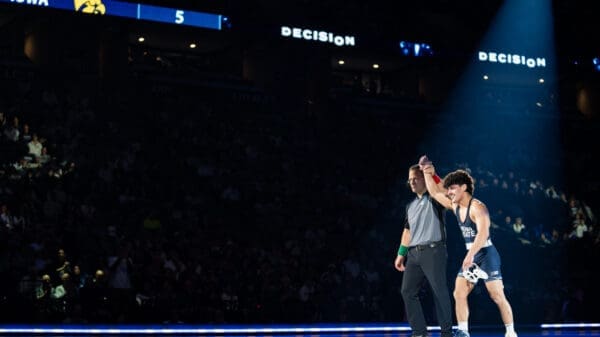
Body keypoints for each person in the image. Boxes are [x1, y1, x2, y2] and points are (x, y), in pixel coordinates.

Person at [421, 162, 517, 337]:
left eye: (452, 189)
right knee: (459, 292)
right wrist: (428, 173)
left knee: (496, 296)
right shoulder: (456, 205)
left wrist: (470, 255)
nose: (448, 192)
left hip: (486, 255)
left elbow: (483, 233)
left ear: (464, 188)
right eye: (448, 189)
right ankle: (463, 332)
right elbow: (435, 192)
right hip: (471, 256)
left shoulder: (478, 207)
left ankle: (511, 332)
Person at [394, 164, 453, 337]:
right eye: (409, 179)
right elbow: (407, 231)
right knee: (407, 291)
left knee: (438, 290)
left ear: (423, 179)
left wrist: (432, 174)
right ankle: (419, 333)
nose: (411, 182)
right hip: (413, 254)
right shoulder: (410, 206)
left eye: (415, 178)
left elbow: (445, 192)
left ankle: (446, 333)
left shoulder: (435, 197)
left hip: (433, 251)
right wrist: (401, 254)